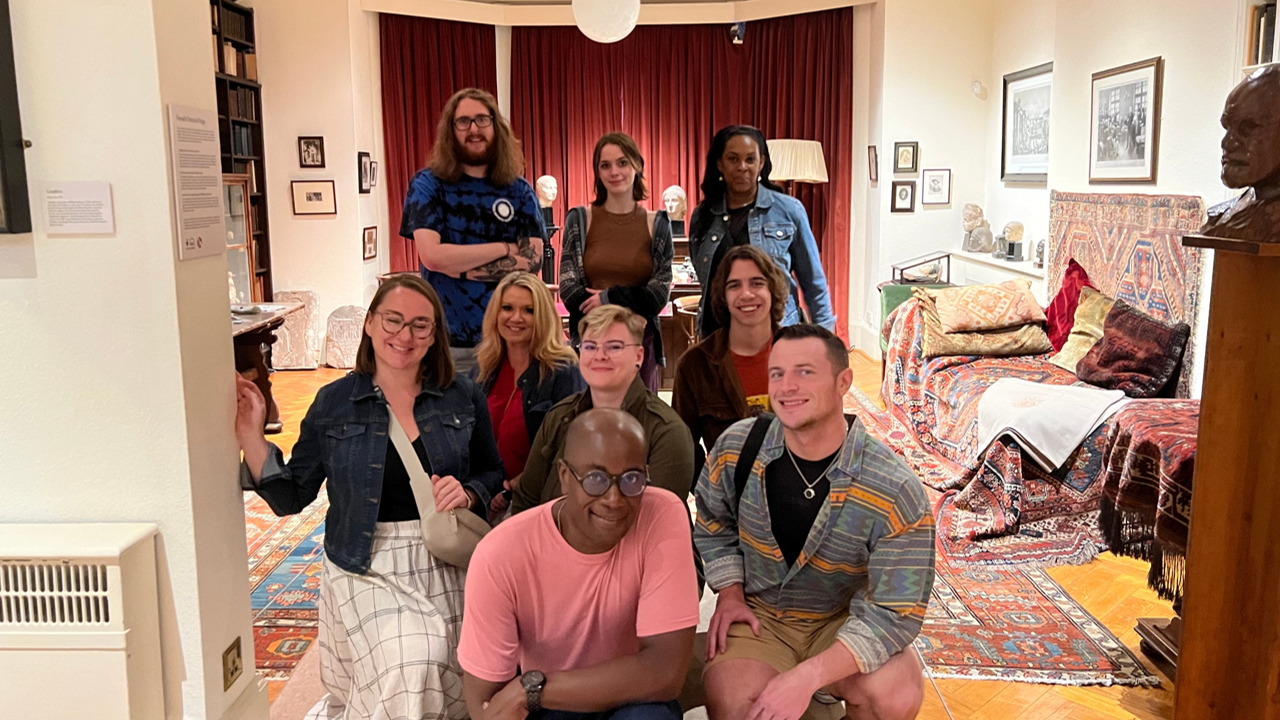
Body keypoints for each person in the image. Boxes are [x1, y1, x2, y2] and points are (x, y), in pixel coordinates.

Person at [235, 274, 504, 719]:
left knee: (459, 667)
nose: (405, 335)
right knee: (413, 660)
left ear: (435, 333)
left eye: (421, 325)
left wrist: (471, 493)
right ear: (370, 325)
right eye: (393, 320)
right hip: (364, 560)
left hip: (445, 556)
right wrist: (251, 435)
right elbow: (291, 497)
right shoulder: (333, 403)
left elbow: (492, 470)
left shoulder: (461, 395)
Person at [695, 325, 935, 720]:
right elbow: (711, 519)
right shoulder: (738, 448)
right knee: (732, 698)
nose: (787, 386)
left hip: (842, 619)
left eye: (805, 372)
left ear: (844, 381)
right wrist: (731, 592)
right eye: (777, 373)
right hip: (764, 616)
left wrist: (807, 678)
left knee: (895, 694)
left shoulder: (894, 488)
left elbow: (896, 611)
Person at [458, 409, 700, 720]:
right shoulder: (501, 554)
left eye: (631, 479)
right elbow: (486, 706)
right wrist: (533, 695)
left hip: (632, 698)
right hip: (550, 710)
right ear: (563, 477)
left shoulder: (662, 514)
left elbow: (665, 673)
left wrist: (531, 688)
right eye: (595, 479)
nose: (613, 498)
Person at [401, 87, 546, 374]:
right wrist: (505, 248)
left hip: (511, 343)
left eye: (482, 120)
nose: (474, 129)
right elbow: (433, 257)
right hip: (447, 344)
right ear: (450, 130)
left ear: (495, 126)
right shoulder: (428, 185)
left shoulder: (519, 190)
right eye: (463, 121)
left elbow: (532, 262)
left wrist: (462, 269)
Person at [510, 305, 694, 515]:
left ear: (638, 356)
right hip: (548, 542)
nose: (600, 356)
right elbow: (526, 501)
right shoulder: (559, 416)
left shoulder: (667, 431)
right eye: (590, 346)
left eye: (614, 347)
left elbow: (654, 520)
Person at [688, 125, 835, 337]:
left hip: (776, 334)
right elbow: (704, 278)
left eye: (750, 159)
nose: (742, 167)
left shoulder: (789, 211)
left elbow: (813, 283)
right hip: (717, 337)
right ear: (719, 164)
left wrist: (825, 339)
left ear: (761, 163)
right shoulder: (702, 216)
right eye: (733, 159)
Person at [560, 132, 674, 392]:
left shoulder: (657, 224)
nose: (614, 171)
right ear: (597, 173)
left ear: (637, 165)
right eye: (605, 165)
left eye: (622, 162)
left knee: (639, 429)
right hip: (590, 345)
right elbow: (569, 290)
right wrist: (629, 304)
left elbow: (657, 296)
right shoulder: (578, 220)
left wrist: (608, 298)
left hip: (639, 346)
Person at [475, 272, 586, 520]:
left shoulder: (564, 370)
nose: (516, 318)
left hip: (538, 502)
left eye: (529, 310)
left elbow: (571, 447)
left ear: (543, 316)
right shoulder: (482, 368)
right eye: (507, 308)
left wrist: (516, 488)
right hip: (484, 500)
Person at [673, 244, 789, 481]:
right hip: (728, 498)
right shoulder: (694, 366)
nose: (746, 294)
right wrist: (711, 493)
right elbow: (684, 448)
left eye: (756, 283)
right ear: (723, 297)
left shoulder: (802, 353)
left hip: (798, 495)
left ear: (772, 290)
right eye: (734, 285)